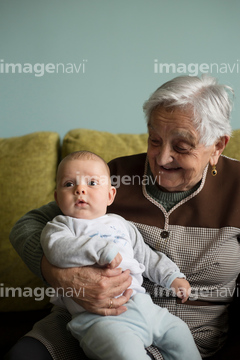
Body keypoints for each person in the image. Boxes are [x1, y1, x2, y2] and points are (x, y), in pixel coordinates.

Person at [8, 74, 240, 360]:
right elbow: (27, 225)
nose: (162, 158)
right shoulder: (113, 177)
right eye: (155, 140)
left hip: (181, 336)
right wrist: (59, 275)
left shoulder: (237, 187)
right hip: (87, 322)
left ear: (217, 146)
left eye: (181, 147)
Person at [39, 150, 200, 360]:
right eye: (69, 184)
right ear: (57, 198)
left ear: (110, 195)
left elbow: (146, 256)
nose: (80, 190)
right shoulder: (60, 227)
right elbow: (57, 250)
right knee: (126, 353)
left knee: (180, 333)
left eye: (92, 183)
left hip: (143, 305)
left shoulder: (120, 224)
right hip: (98, 318)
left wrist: (172, 276)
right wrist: (99, 249)